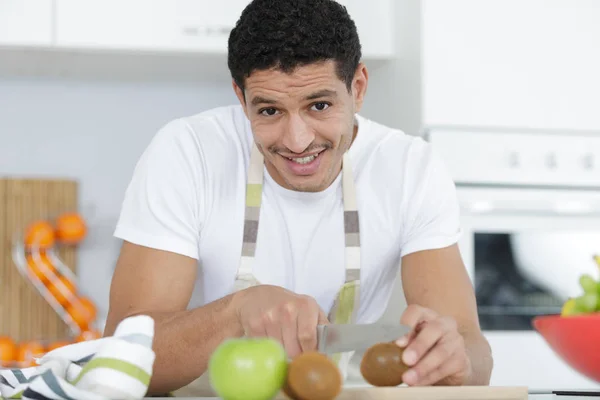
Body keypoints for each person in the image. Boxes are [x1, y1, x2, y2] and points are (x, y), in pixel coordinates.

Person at [104, 0, 493, 395]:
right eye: (270, 111)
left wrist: (454, 357)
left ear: (357, 88)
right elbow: (120, 360)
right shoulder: (189, 153)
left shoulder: (409, 168)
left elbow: (474, 352)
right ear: (241, 98)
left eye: (319, 105)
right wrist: (236, 312)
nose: (297, 141)